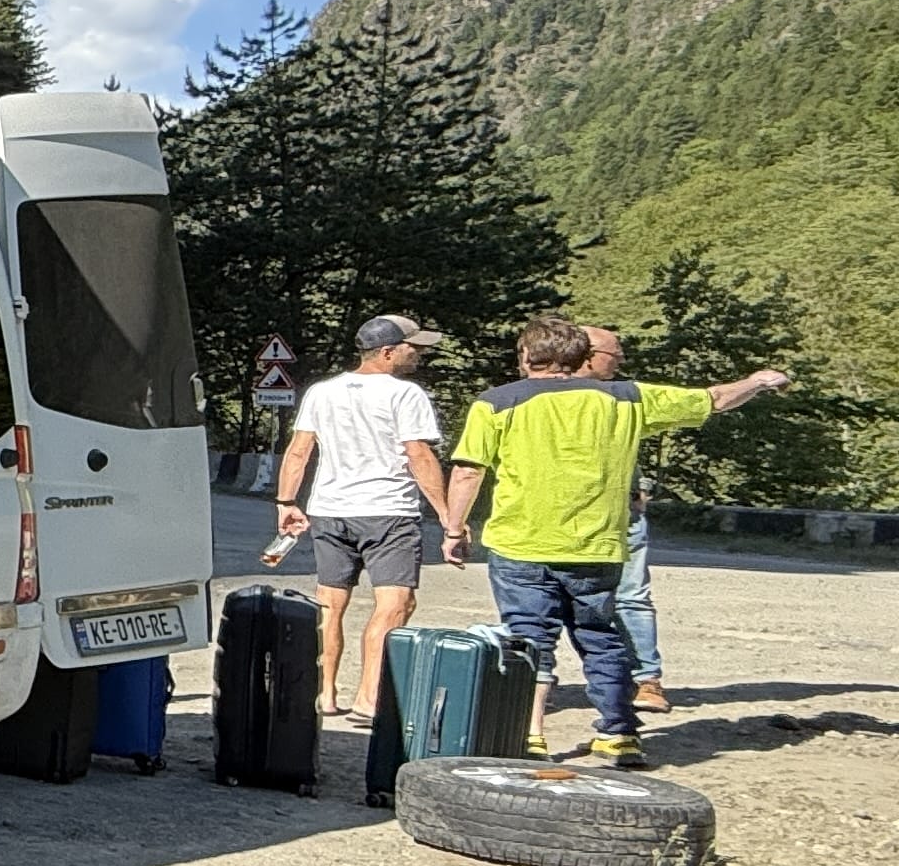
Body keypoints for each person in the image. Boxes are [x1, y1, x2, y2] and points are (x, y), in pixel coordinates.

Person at [443, 315, 789, 766]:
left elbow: (468, 470)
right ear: (580, 357)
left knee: (530, 639)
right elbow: (714, 399)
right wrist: (758, 381)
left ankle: (531, 734)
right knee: (601, 637)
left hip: (520, 543)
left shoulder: (495, 403)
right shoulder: (628, 398)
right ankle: (620, 732)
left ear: (526, 355)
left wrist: (455, 528)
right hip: (598, 546)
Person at [268, 315, 457, 724]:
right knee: (395, 604)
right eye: (412, 347)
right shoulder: (405, 394)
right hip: (389, 511)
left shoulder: (321, 392)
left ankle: (325, 694)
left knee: (330, 604)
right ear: (387, 352)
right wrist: (447, 516)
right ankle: (369, 698)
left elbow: (299, 450)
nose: (419, 353)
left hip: (330, 509)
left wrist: (286, 502)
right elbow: (419, 455)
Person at [580, 325, 671, 715]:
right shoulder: (540, 395)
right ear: (586, 355)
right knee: (543, 602)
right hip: (562, 515)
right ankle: (533, 682)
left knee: (632, 596)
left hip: (622, 512)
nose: (619, 362)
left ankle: (646, 679)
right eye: (613, 355)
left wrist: (638, 488)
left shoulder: (624, 397)